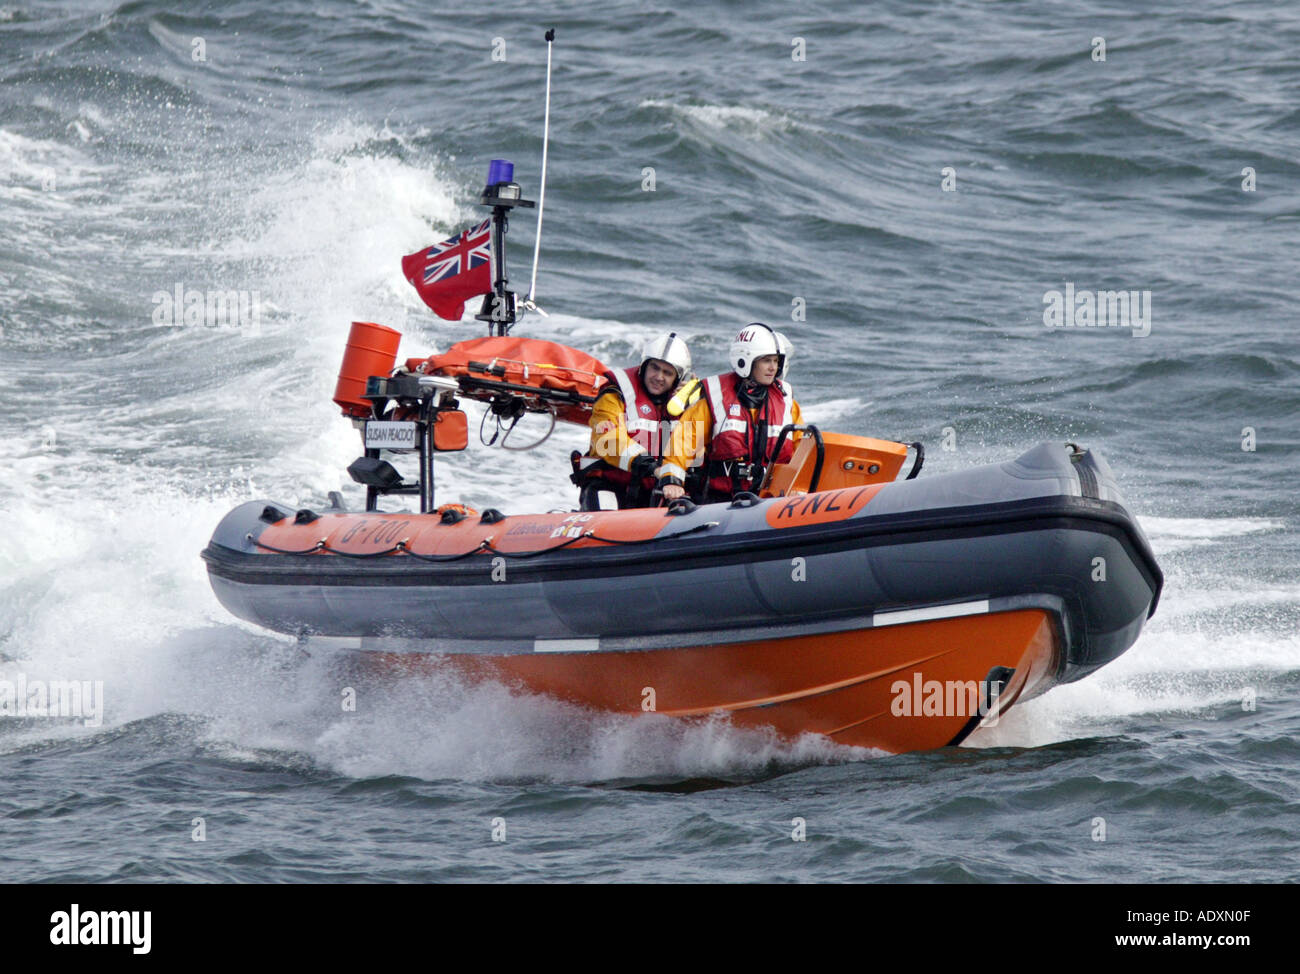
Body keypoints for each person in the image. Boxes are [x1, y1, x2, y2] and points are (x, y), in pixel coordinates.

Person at [659, 323, 802, 503]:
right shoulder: (715, 396)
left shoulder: (786, 401)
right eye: (766, 360)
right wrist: (672, 480)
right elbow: (683, 442)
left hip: (770, 498)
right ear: (745, 360)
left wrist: (800, 486)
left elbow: (802, 449)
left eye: (776, 361)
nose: (773, 367)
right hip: (720, 500)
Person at [574, 332, 692, 510]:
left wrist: (690, 405)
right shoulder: (615, 394)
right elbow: (607, 441)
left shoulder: (688, 403)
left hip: (657, 491)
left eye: (667, 372)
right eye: (654, 368)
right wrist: (651, 467)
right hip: (609, 485)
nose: (659, 377)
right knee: (605, 521)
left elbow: (695, 451)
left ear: (678, 378)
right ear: (643, 366)